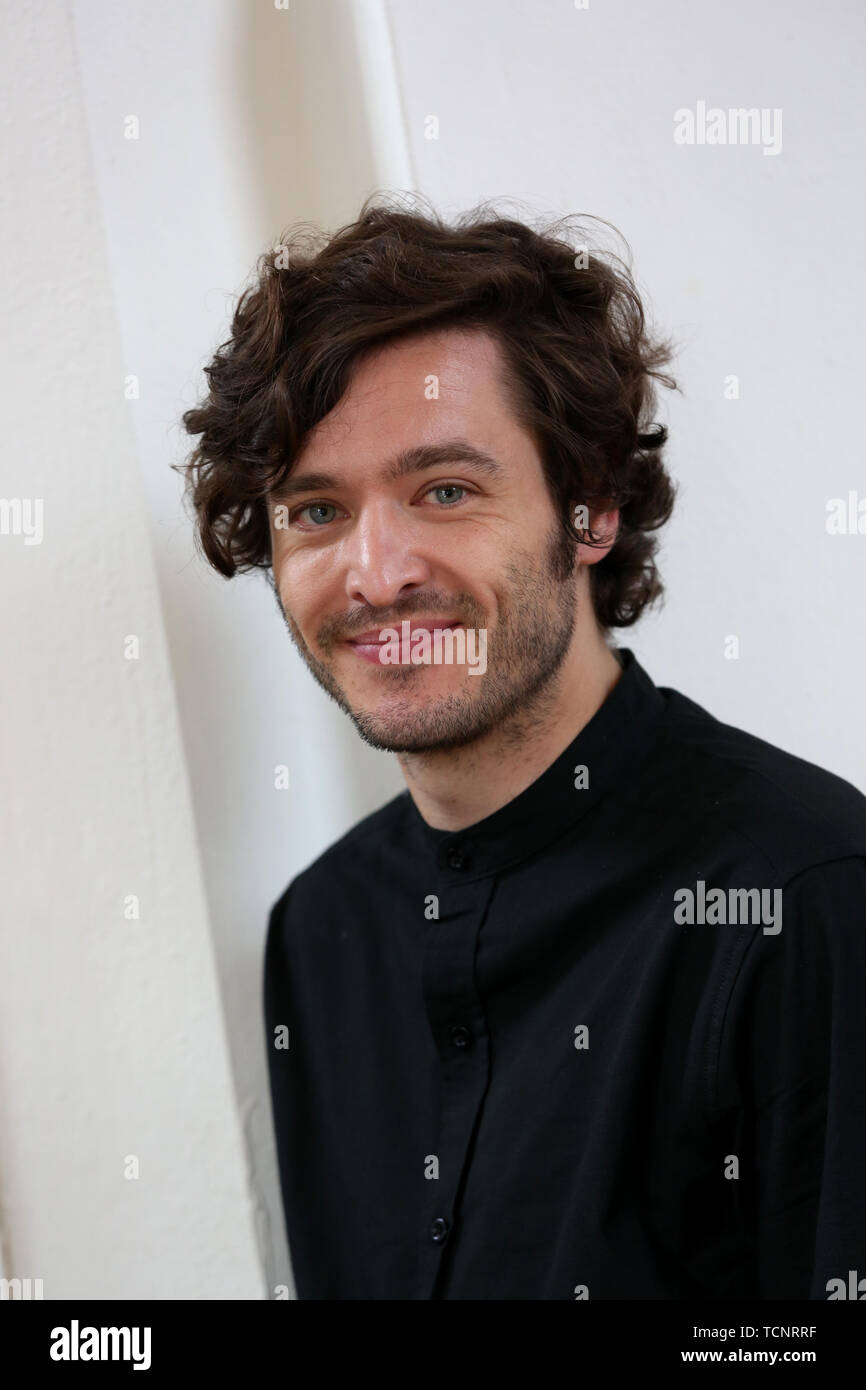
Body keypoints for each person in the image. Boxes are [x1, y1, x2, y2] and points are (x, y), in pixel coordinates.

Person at [180, 196, 866, 1300]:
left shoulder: (806, 894)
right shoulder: (319, 930)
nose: (375, 571)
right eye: (314, 511)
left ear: (588, 509)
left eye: (443, 490)